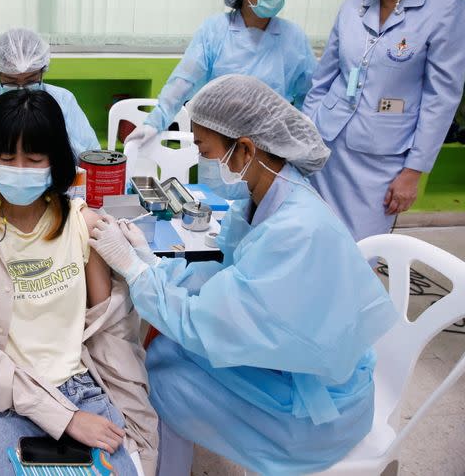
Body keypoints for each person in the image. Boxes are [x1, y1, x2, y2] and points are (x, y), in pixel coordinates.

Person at [89, 75, 398, 474]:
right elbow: (216, 279)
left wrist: (133, 271)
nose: (203, 162)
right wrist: (149, 261)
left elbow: (203, 324)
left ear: (245, 149)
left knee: (161, 378)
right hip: (304, 373)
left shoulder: (295, 233)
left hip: (320, 414)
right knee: (165, 348)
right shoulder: (265, 201)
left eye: (205, 149)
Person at [0, 89, 157, 475]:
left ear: (55, 161)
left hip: (79, 387)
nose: (20, 168)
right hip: (0, 396)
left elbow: (109, 332)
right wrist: (63, 418)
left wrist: (134, 413)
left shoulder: (83, 226)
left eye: (33, 158)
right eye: (6, 157)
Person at [303, 0, 465, 242]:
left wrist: (413, 172)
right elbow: (322, 81)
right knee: (313, 235)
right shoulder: (352, 8)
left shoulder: (445, 11)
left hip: (380, 157)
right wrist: (304, 136)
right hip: (324, 145)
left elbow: (440, 99)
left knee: (363, 248)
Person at [126, 0, 317, 151]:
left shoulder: (293, 37)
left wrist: (301, 137)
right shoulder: (215, 31)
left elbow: (312, 94)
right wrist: (154, 122)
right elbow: (183, 81)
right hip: (219, 146)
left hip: (271, 149)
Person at [0, 28, 100, 175]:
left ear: (42, 72)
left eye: (30, 81)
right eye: (11, 82)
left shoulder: (63, 101)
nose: (21, 90)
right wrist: (2, 163)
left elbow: (88, 156)